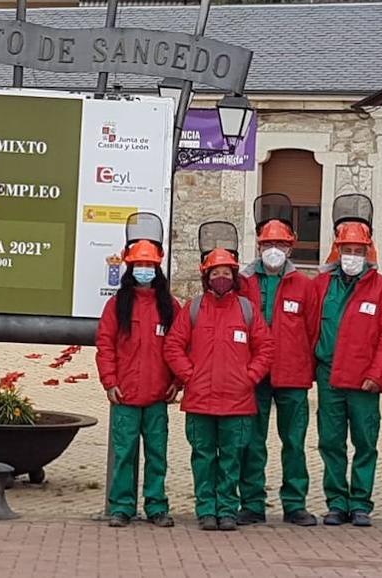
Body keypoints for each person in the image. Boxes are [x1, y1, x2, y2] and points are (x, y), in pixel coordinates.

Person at [165, 226, 275, 532]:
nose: (221, 278)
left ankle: (227, 509)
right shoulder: (194, 309)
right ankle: (206, 510)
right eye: (215, 274)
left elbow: (265, 348)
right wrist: (189, 376)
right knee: (203, 459)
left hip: (237, 404)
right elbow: (173, 345)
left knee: (231, 460)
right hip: (200, 402)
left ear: (235, 275)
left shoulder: (247, 310)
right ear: (206, 277)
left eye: (226, 272)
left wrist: (249, 376)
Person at [313, 207, 382, 529]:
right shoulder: (322, 285)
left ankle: (361, 503)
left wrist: (377, 375)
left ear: (368, 252)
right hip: (329, 376)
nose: (352, 256)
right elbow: (310, 328)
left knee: (365, 443)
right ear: (337, 252)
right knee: (331, 443)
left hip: (364, 381)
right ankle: (337, 503)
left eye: (358, 251)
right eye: (347, 250)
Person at [236, 197, 321, 527]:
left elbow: (313, 330)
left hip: (293, 377)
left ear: (291, 247)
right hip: (254, 376)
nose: (274, 249)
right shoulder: (244, 283)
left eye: (280, 244)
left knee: (295, 444)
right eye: (268, 243)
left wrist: (305, 366)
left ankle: (294, 503)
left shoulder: (305, 285)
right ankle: (252, 502)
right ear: (259, 246)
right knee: (250, 442)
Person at [95, 212, 182, 528]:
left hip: (159, 396)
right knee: (125, 456)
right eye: (138, 266)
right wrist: (110, 382)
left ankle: (157, 506)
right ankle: (122, 507)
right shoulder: (117, 305)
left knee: (157, 456)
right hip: (126, 397)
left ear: (157, 267)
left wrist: (176, 382)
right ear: (130, 268)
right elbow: (105, 345)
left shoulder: (170, 307)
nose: (144, 270)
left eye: (149, 265)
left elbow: (179, 346)